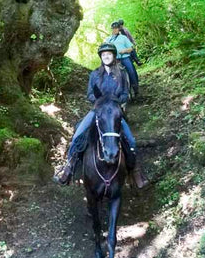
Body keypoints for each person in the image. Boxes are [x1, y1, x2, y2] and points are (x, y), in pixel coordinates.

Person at [53, 43, 149, 188]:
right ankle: (68, 169)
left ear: (113, 56)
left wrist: (116, 101)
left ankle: (135, 172)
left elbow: (125, 93)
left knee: (131, 141)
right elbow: (90, 94)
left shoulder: (122, 73)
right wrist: (100, 101)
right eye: (104, 55)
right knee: (77, 136)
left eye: (109, 54)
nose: (106, 56)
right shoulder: (95, 74)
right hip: (98, 110)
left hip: (115, 111)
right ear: (101, 57)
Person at [107, 22, 139, 97]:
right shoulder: (108, 39)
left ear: (119, 29)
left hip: (124, 57)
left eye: (116, 28)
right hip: (114, 59)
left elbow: (131, 48)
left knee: (131, 71)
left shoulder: (123, 38)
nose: (114, 30)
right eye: (113, 29)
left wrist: (124, 51)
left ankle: (135, 89)